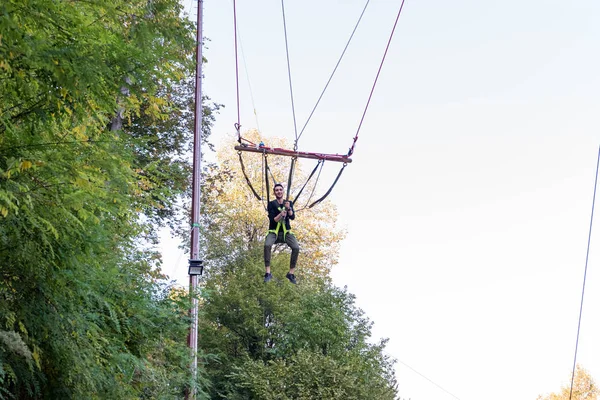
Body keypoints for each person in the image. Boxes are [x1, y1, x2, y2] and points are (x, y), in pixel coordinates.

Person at [263, 183, 300, 284]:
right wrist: (281, 214)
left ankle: (291, 273)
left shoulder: (288, 203)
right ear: (274, 192)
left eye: (280, 190)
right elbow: (273, 220)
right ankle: (268, 272)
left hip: (286, 232)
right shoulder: (271, 204)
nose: (279, 191)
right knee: (267, 245)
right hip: (274, 231)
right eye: (277, 190)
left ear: (283, 191)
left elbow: (292, 217)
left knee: (296, 247)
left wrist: (289, 209)